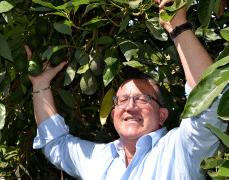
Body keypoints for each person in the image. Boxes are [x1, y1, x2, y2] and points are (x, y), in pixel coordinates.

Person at [27, 0, 228, 179]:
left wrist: (178, 26)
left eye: (142, 99)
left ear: (162, 115)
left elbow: (209, 99)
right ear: (113, 113)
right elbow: (55, 144)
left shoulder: (181, 151)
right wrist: (41, 85)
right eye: (121, 100)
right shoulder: (98, 160)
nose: (130, 106)